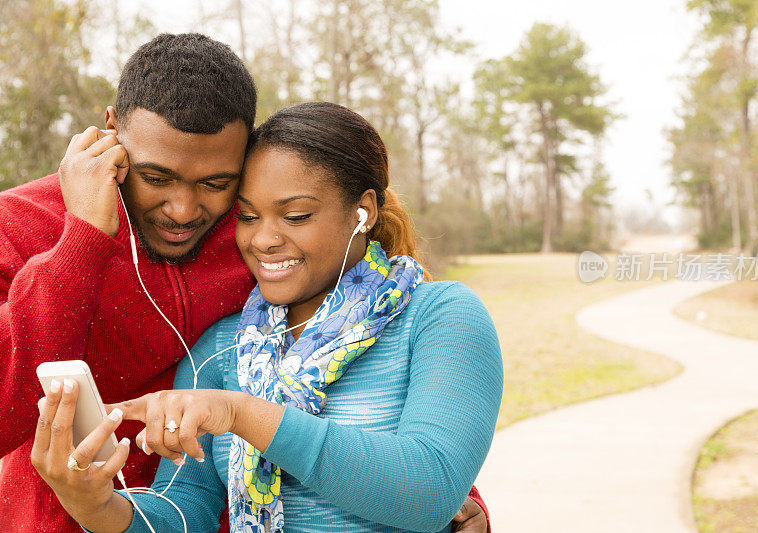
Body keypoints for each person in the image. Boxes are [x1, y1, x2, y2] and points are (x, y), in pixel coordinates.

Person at [0, 33, 489, 531]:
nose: (183, 210)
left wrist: (453, 483)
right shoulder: (21, 227)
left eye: (216, 184)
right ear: (112, 131)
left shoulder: (256, 226)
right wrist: (82, 239)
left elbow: (419, 461)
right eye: (157, 177)